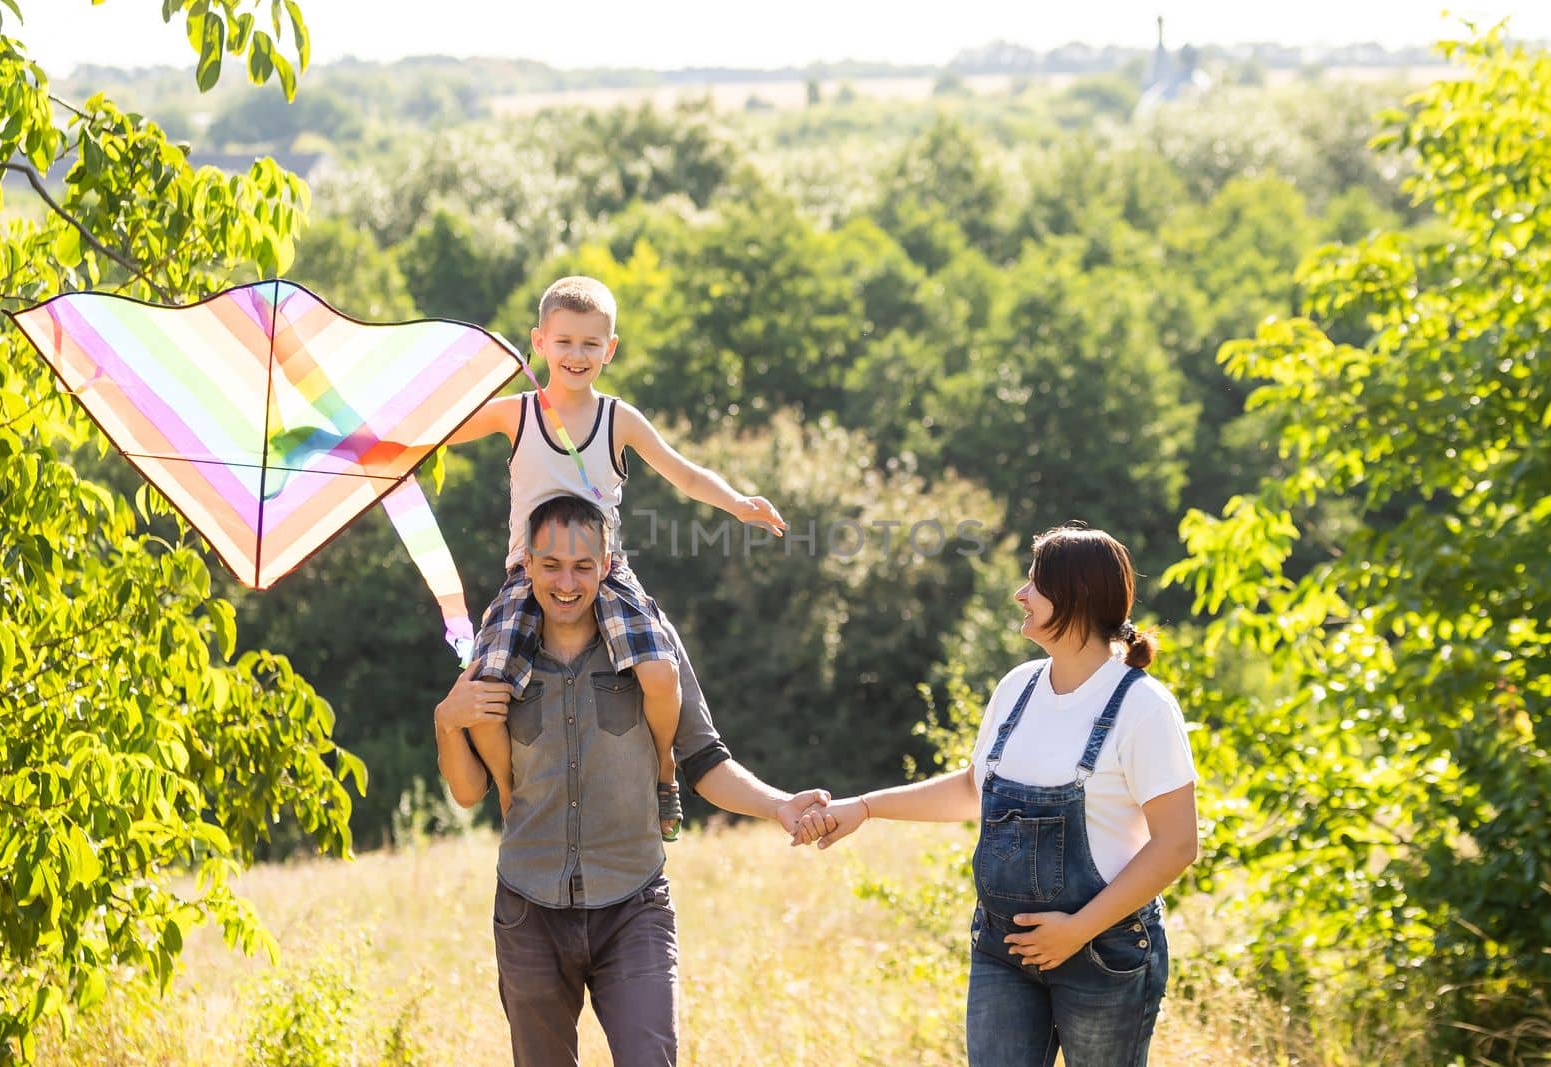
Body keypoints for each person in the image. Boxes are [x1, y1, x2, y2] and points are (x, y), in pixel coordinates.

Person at [434, 495, 835, 1067]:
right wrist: (446, 722)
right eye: (550, 565)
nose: (566, 582)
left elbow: (704, 758)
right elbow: (470, 792)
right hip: (529, 911)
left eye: (581, 566)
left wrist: (778, 805)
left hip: (634, 906)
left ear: (605, 564)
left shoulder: (650, 647)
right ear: (527, 567)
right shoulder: (498, 658)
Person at [814, 524, 1199, 1067]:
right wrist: (866, 807)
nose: (1020, 595)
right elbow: (975, 789)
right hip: (1003, 948)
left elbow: (1178, 844)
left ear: (1077, 597)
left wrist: (1075, 931)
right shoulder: (1017, 687)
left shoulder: (1143, 708)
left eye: (1034, 584)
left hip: (1104, 952)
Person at [448, 275, 786, 839]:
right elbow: (439, 432)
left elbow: (682, 470)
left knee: (659, 669)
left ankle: (663, 771)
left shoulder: (616, 419)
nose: (576, 355)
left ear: (611, 349)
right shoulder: (517, 413)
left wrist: (736, 503)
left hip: (604, 573)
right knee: (487, 685)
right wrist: (357, 437)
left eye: (589, 344)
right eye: (563, 342)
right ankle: (509, 794)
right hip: (527, 572)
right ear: (539, 342)